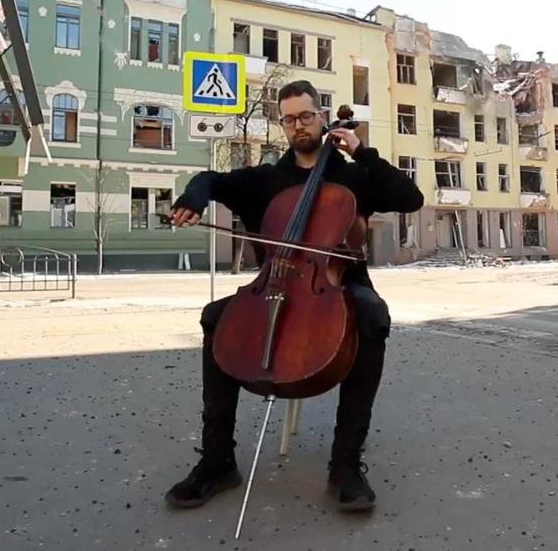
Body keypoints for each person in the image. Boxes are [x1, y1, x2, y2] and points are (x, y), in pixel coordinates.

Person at [164, 80, 424, 513]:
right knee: (215, 316)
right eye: (289, 119)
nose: (298, 126)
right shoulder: (269, 178)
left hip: (338, 286)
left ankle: (345, 466)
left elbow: (409, 198)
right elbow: (209, 178)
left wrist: (362, 151)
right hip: (273, 284)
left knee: (371, 315)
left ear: (322, 118)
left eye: (306, 116)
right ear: (281, 124)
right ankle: (217, 461)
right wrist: (194, 198)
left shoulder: (353, 174)